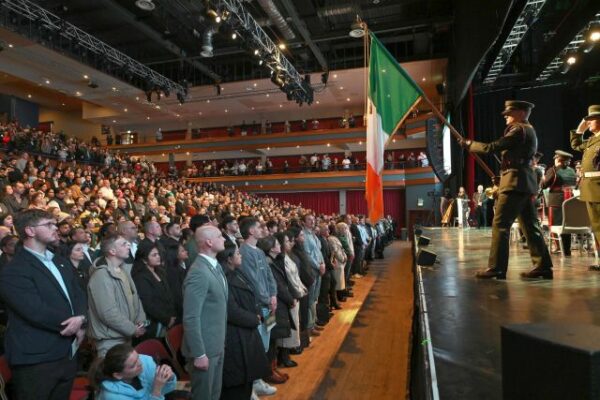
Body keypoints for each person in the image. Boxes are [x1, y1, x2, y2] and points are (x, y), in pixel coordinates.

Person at [0, 209, 87, 400]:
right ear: (30, 231)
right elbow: (34, 311)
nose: (55, 228)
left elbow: (79, 293)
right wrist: (73, 325)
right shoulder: (14, 269)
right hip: (36, 358)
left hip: (66, 353)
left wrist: (81, 318)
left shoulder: (60, 261)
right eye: (49, 224)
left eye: (55, 224)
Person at [461, 100, 553, 279]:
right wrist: (502, 177)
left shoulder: (519, 130)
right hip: (522, 182)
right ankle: (543, 266)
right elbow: (515, 160)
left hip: (515, 183)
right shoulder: (528, 130)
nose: (506, 117)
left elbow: (491, 147)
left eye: (509, 114)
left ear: (521, 113)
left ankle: (497, 267)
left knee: (501, 225)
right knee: (530, 227)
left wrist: (470, 144)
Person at [217, 245, 270, 400]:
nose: (241, 255)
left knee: (247, 380)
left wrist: (257, 313)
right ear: (229, 258)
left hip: (248, 329)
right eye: (237, 253)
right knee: (238, 385)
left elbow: (252, 294)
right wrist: (254, 319)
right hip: (236, 334)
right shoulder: (225, 278)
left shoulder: (238, 272)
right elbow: (232, 311)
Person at [182, 225, 228, 400]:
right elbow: (191, 317)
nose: (224, 239)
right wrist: (199, 353)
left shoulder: (214, 266)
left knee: (214, 395)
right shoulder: (199, 272)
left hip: (216, 344)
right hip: (205, 349)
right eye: (220, 236)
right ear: (209, 242)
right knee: (204, 396)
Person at [87, 234, 147, 357]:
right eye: (123, 244)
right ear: (112, 251)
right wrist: (132, 329)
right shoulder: (101, 275)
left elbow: (135, 298)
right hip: (110, 340)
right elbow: (108, 313)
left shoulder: (123, 270)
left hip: (125, 335)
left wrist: (140, 321)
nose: (128, 245)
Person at [90, 343, 177, 400]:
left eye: (137, 357)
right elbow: (158, 391)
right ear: (118, 375)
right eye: (133, 366)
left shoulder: (144, 361)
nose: (140, 363)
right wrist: (157, 390)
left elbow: (167, 389)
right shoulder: (112, 396)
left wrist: (168, 378)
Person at [570, 105, 600, 270]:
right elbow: (576, 145)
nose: (588, 123)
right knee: (596, 226)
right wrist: (579, 130)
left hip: (598, 187)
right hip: (590, 188)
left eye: (591, 119)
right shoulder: (592, 140)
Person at [132, 244, 177, 341]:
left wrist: (172, 315)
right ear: (144, 260)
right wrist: (166, 319)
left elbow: (169, 295)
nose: (158, 257)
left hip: (169, 318)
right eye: (154, 255)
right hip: (154, 324)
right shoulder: (140, 277)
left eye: (158, 254)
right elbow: (148, 304)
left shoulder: (160, 271)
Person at [541, 150, 577, 256]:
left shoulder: (553, 170)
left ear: (558, 159)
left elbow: (543, 185)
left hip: (556, 201)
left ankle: (558, 247)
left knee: (555, 225)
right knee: (566, 225)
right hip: (570, 200)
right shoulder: (572, 171)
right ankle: (566, 249)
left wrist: (542, 178)